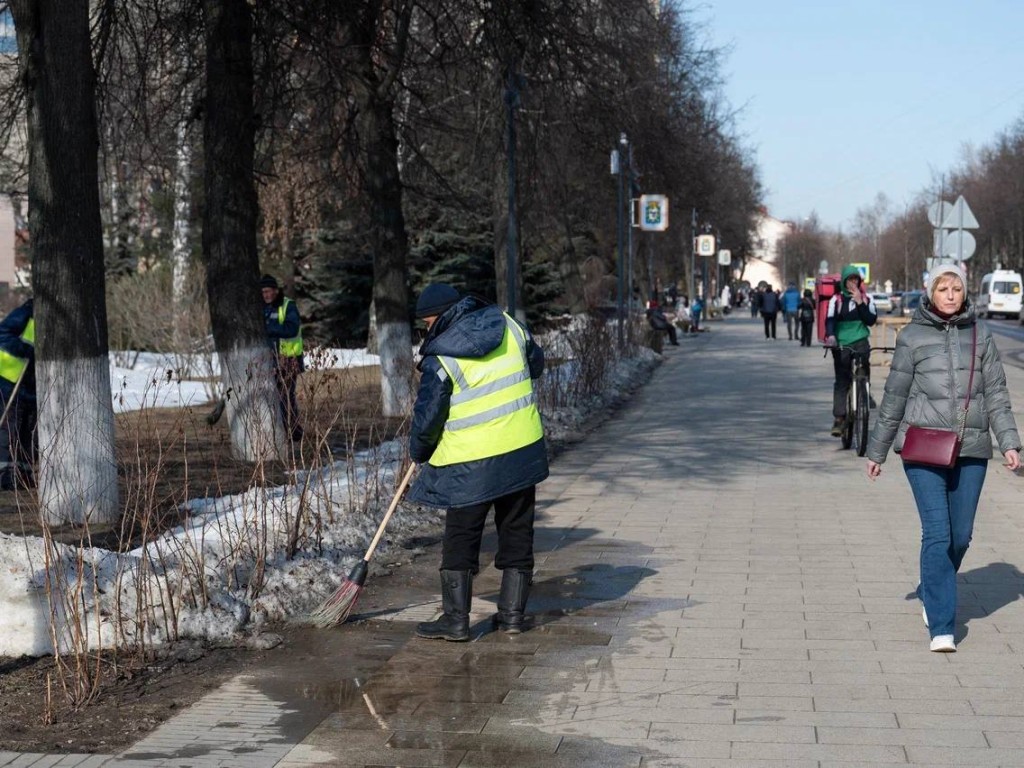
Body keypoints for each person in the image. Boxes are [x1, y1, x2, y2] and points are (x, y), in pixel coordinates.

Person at [865, 263, 1021, 653]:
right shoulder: (912, 337)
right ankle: (942, 625)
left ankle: (930, 586)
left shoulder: (980, 335)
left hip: (971, 448)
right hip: (923, 449)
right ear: (930, 292)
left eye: (956, 289)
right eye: (942, 289)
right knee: (937, 533)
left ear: (965, 293)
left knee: (961, 534)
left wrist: (1009, 443)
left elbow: (998, 395)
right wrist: (877, 450)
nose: (950, 296)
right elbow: (895, 397)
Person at [408, 283, 548, 641]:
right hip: (521, 449)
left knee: (462, 536)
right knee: (517, 530)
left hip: (469, 463)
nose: (426, 330)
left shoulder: (442, 357)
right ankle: (512, 616)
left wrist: (419, 451)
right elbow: (537, 365)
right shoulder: (510, 326)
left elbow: (428, 418)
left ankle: (455, 620)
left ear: (438, 318)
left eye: (426, 323)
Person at [824, 266, 877, 435]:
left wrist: (861, 302)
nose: (853, 283)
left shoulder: (867, 299)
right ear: (844, 282)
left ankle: (864, 391)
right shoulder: (837, 299)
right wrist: (831, 336)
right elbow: (830, 320)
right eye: (850, 280)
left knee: (863, 367)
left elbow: (870, 321)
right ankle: (839, 419)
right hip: (841, 343)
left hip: (860, 340)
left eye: (856, 280)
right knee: (842, 380)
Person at [260, 274, 304, 441]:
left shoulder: (288, 306)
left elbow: (291, 329)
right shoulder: (262, 307)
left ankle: (294, 433)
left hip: (289, 359)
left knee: (285, 397)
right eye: (263, 292)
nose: (266, 295)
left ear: (276, 291)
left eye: (269, 291)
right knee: (278, 397)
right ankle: (288, 432)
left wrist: (269, 327)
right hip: (271, 360)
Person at [0, 298, 35, 490]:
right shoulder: (26, 312)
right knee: (8, 432)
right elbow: (3, 334)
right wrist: (27, 351)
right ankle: (4, 476)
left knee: (27, 435)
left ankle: (22, 475)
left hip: (31, 388)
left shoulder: (57, 318)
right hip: (8, 383)